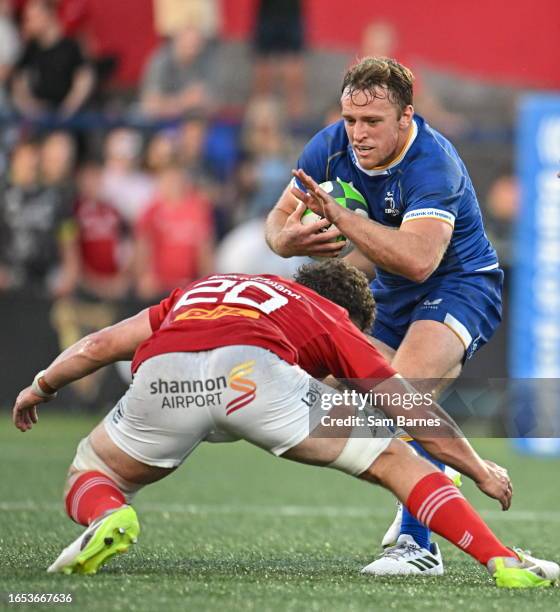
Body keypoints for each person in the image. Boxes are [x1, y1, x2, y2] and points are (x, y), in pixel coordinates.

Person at [11, 261, 557, 587]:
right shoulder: (330, 318)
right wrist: (477, 467)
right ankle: (503, 561)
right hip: (254, 377)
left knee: (92, 469)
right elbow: (404, 403)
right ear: (349, 315)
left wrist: (41, 386)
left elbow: (100, 344)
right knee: (398, 459)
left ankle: (108, 515)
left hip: (165, 374)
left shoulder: (207, 288)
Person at [265, 56, 504, 575]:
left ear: (406, 116)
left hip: (459, 285)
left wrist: (341, 219)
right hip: (388, 290)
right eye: (350, 119)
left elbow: (420, 262)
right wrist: (286, 240)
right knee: (313, 386)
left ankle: (420, 548)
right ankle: (443, 465)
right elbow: (277, 222)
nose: (357, 133)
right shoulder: (330, 146)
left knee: (407, 391)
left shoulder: (433, 163)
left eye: (372, 122)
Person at [10, 0, 95, 117]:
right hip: (37, 119)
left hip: (66, 121)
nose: (27, 23)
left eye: (32, 18)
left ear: (48, 15)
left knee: (59, 136)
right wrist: (30, 107)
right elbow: (19, 83)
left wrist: (65, 111)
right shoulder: (30, 50)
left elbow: (84, 79)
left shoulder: (70, 47)